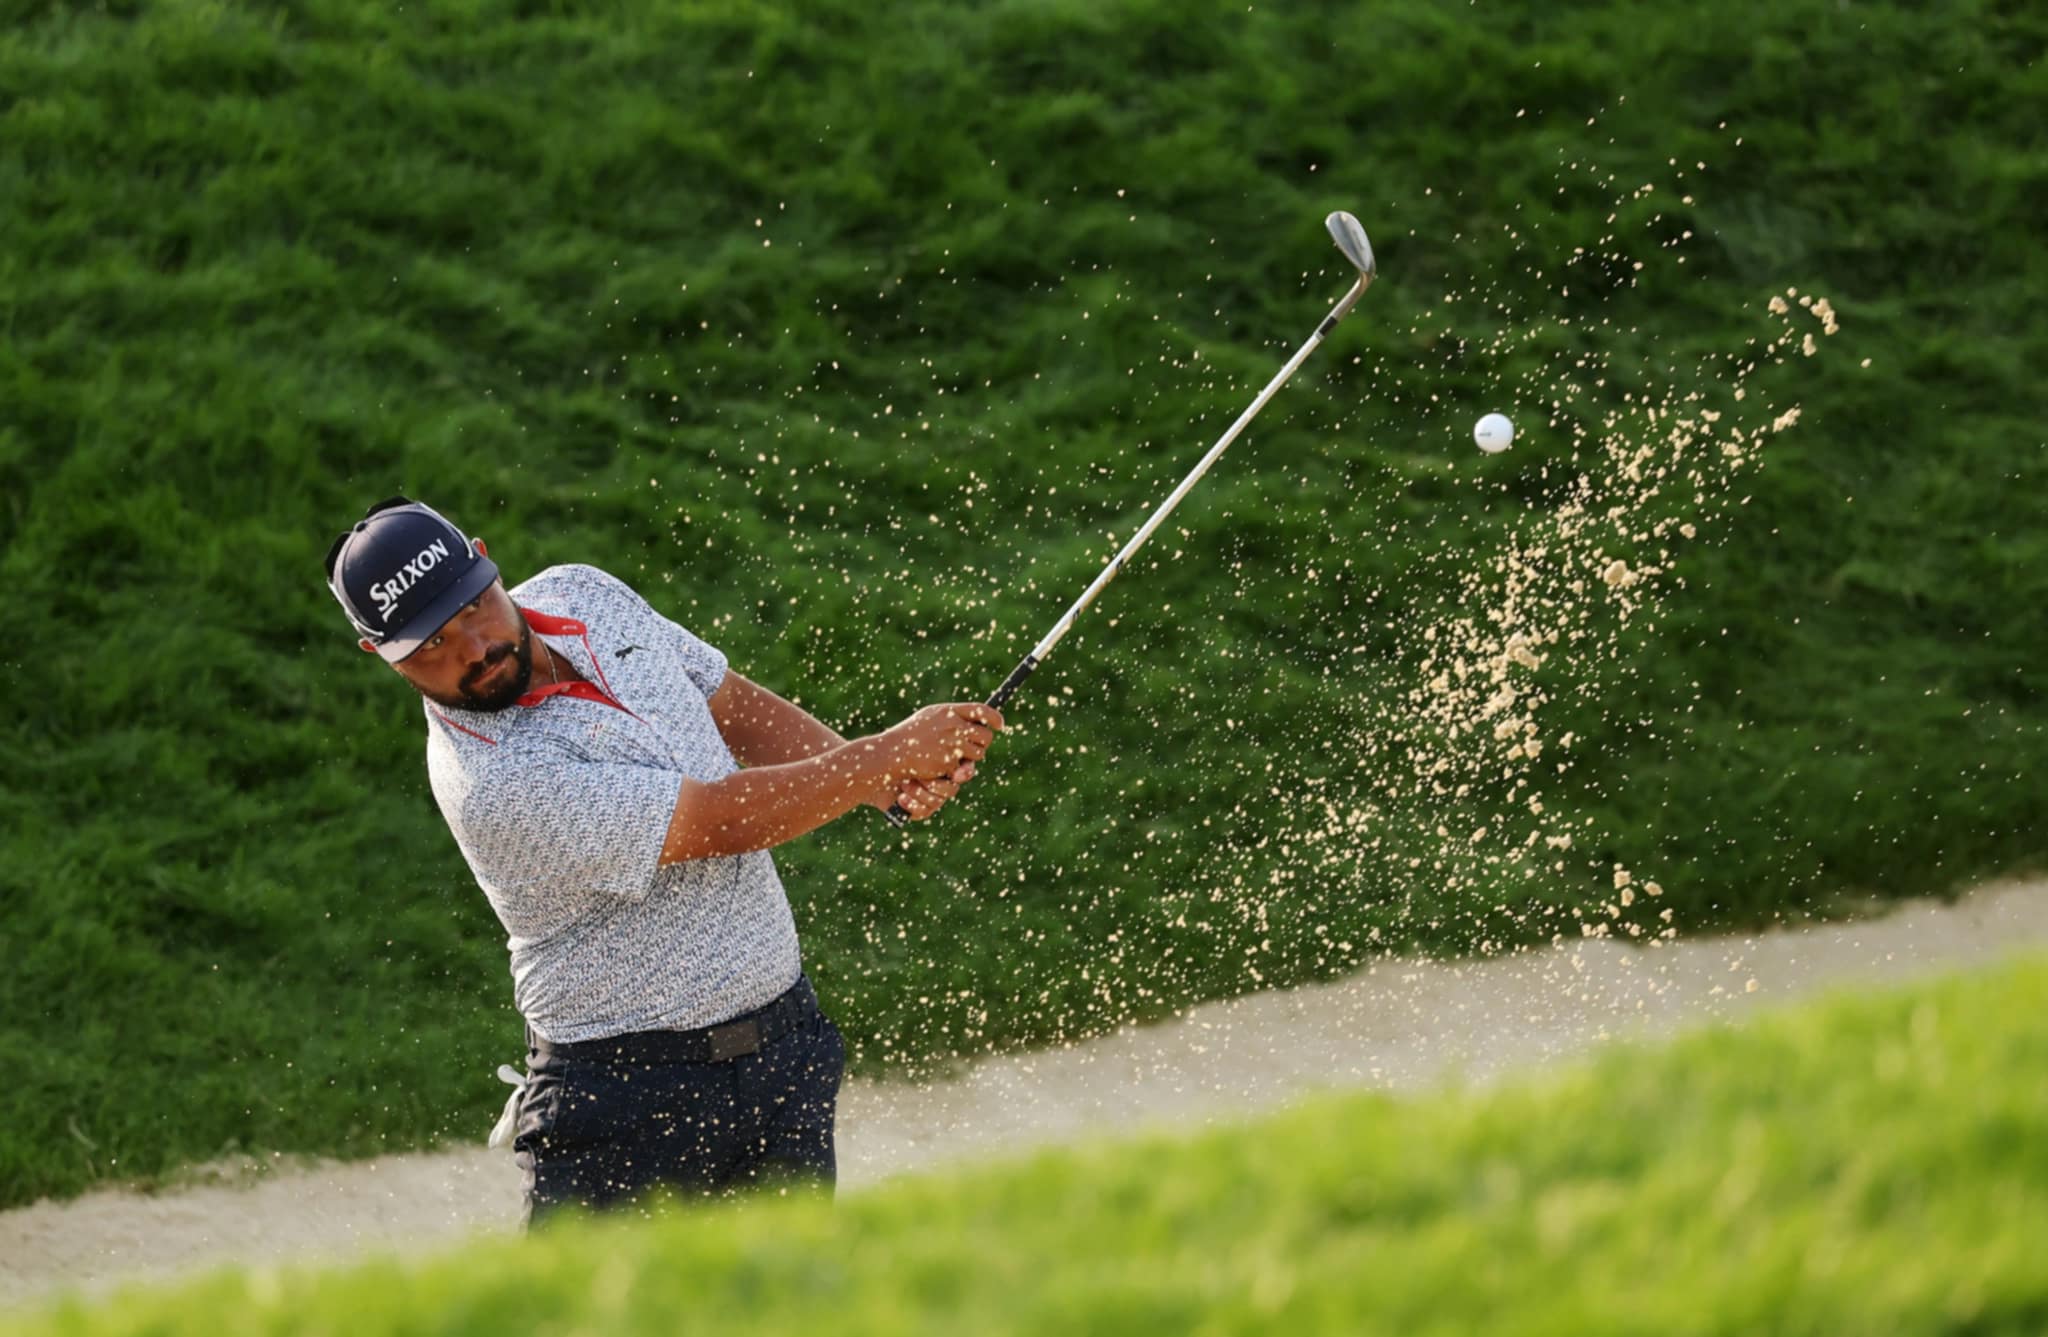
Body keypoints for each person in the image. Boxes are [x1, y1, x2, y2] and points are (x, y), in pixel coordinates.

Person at [323, 497, 1002, 1225]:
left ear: (487, 562)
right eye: (432, 644)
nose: (475, 647)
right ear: (380, 654)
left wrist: (881, 783)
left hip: (784, 1057)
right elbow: (720, 820)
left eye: (475, 607)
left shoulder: (583, 592)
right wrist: (882, 757)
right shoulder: (491, 781)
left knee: (794, 1288)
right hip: (627, 1105)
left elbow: (728, 704)